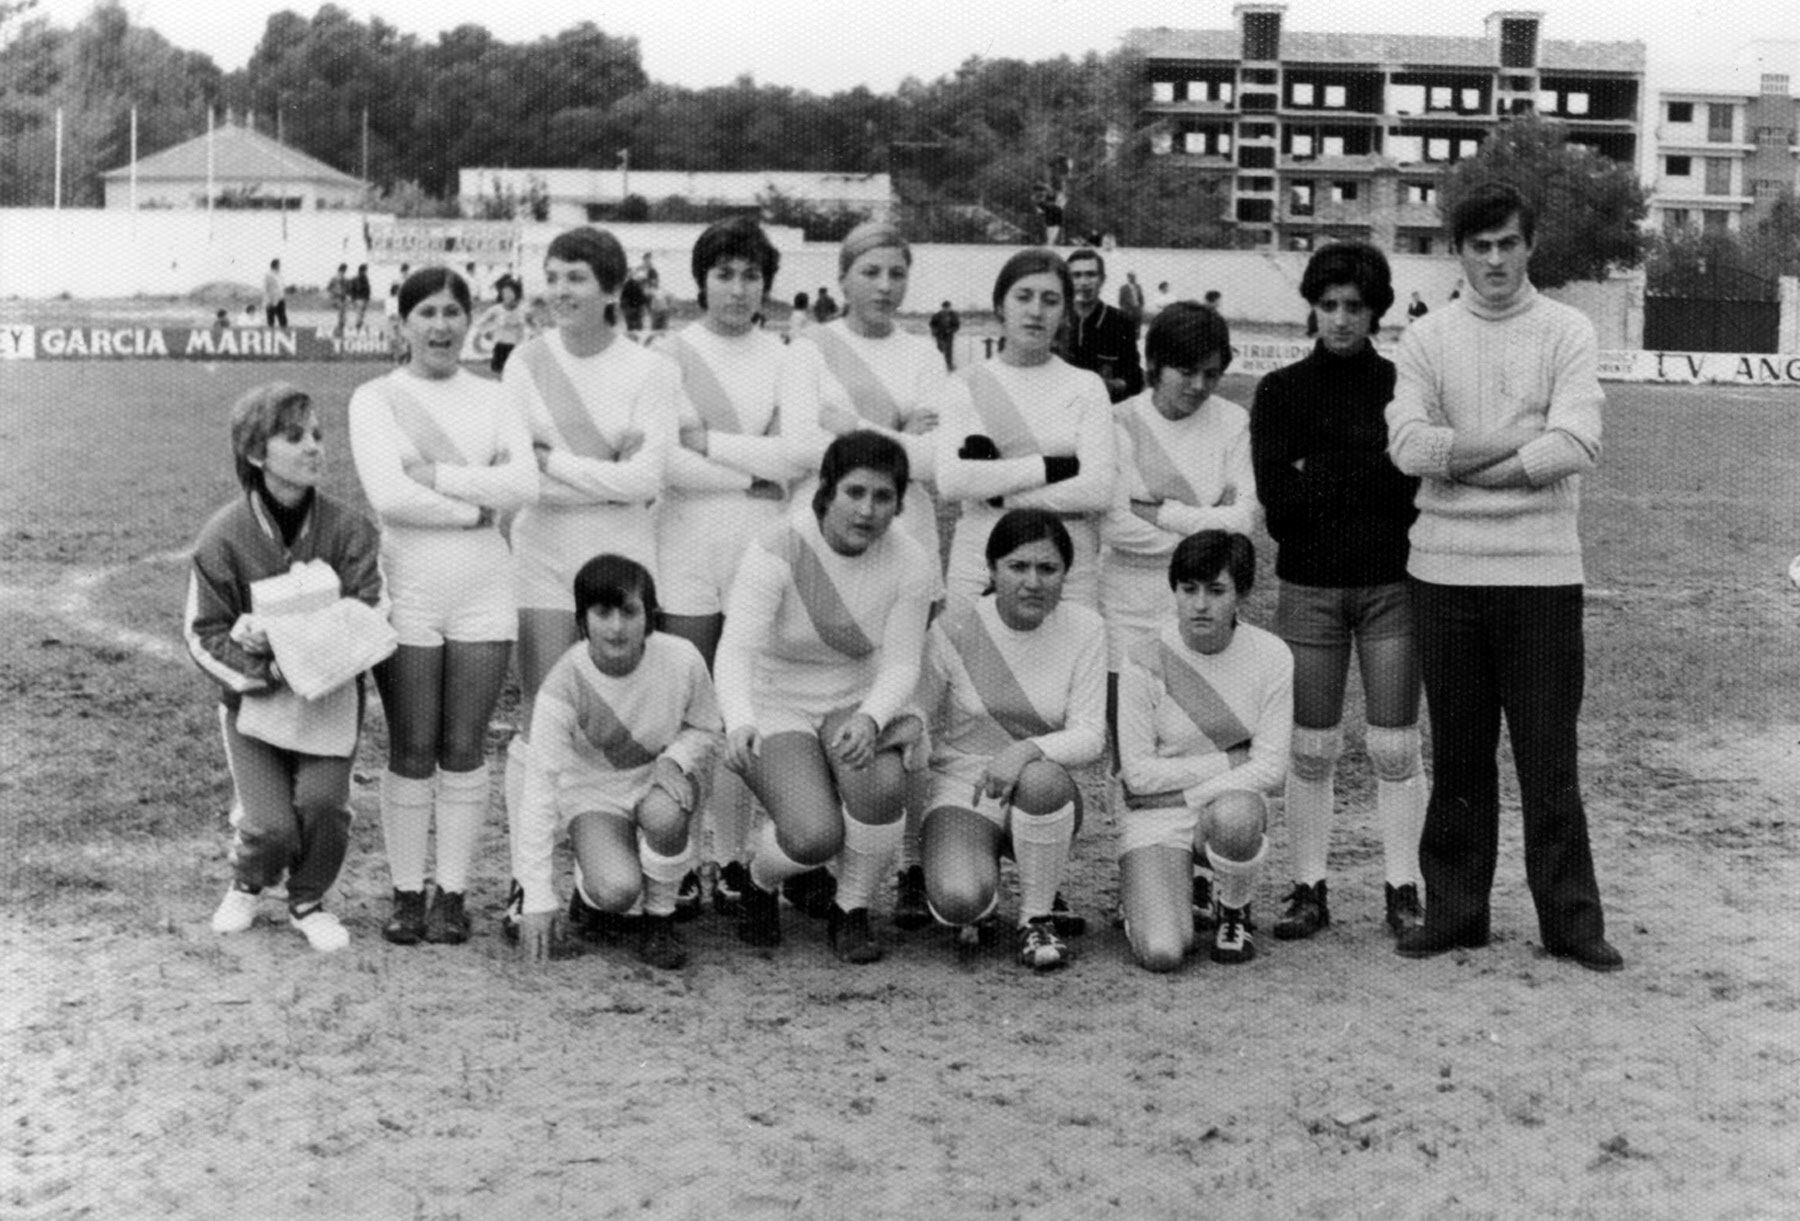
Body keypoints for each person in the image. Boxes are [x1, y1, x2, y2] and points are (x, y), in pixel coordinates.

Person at [1385, 180, 1620, 972]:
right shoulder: (1426, 339)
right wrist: (1518, 443)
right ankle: (1455, 911)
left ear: (1530, 246)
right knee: (1458, 755)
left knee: (1549, 757)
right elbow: (1410, 448)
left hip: (1542, 575)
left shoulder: (1567, 330)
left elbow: (1578, 443)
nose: (1494, 259)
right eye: (1479, 246)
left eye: (1508, 244)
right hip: (1444, 574)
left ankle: (1571, 922)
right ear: (1458, 251)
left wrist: (1464, 455)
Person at [498, 226, 679, 940]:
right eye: (554, 275)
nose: (561, 290)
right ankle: (525, 879)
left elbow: (648, 479)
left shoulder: (650, 368)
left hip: (625, 556)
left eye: (577, 277)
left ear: (611, 290)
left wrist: (562, 465)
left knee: (628, 713)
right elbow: (524, 478)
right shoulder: (523, 362)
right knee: (543, 714)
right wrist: (604, 476)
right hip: (543, 556)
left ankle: (621, 865)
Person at [347, 267, 538, 945]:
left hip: (486, 581)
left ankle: (452, 892)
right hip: (409, 583)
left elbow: (524, 481)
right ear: (402, 324)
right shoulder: (375, 398)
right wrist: (476, 504)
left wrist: (446, 481)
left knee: (463, 744)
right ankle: (405, 891)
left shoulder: (495, 394)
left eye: (453, 311)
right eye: (425, 312)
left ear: (470, 320)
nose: (440, 325)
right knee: (412, 743)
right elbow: (389, 496)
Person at [1251, 242, 1425, 942]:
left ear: (1377, 310)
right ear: (1312, 308)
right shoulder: (1281, 391)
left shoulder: (1404, 386)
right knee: (1312, 747)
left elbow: (1411, 487)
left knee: (1393, 746)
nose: (1342, 319)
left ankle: (1402, 888)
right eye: (1328, 305)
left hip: (1390, 585)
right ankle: (1308, 887)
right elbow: (1279, 504)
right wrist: (1366, 473)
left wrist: (1319, 468)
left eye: (1355, 306)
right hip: (1311, 588)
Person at [713, 431, 938, 963]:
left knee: (882, 786)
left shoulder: (910, 560)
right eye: (854, 492)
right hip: (777, 700)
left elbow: (904, 661)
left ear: (899, 503)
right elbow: (737, 650)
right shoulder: (777, 546)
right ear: (826, 491)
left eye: (884, 497)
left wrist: (871, 717)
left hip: (855, 696)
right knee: (815, 835)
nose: (867, 510)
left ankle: (851, 908)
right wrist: (740, 718)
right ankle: (761, 881)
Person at [188, 382, 385, 952]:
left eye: (319, 435)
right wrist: (264, 665)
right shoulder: (223, 536)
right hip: (257, 703)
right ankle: (248, 880)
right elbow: (203, 634)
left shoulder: (349, 528)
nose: (315, 448)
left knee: (323, 806)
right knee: (271, 826)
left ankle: (307, 898)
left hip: (329, 697)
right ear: (256, 454)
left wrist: (312, 645)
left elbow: (371, 608)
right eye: (294, 437)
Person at [660, 216, 807, 916]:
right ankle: (682, 860)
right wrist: (747, 469)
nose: (738, 288)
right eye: (725, 273)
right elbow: (668, 461)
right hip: (685, 545)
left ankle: (734, 858)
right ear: (702, 280)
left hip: (761, 544)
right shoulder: (669, 353)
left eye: (751, 275)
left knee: (745, 705)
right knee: (690, 705)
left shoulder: (786, 356)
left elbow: (796, 458)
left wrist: (713, 444)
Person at [916, 510, 1106, 970]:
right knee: (960, 900)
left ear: (1066, 573)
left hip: (1038, 789)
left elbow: (1090, 735)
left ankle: (1037, 916)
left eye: (1048, 568)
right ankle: (975, 881)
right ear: (991, 569)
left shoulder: (1085, 628)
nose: (1033, 582)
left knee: (1041, 779)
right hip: (965, 784)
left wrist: (1023, 751)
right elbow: (916, 716)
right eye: (1018, 567)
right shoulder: (954, 627)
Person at [513, 554, 723, 970]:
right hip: (594, 794)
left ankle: (660, 918)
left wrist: (675, 760)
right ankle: (589, 893)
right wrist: (536, 896)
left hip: (656, 780)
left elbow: (707, 727)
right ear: (581, 620)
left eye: (629, 611)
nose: (616, 626)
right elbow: (539, 788)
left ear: (651, 617)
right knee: (617, 890)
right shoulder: (562, 686)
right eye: (602, 612)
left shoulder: (682, 659)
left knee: (666, 812)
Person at [1115, 531, 1292, 971]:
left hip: (1220, 806)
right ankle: (1149, 893)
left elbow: (1270, 769)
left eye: (1216, 591)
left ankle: (1233, 909)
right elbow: (1136, 777)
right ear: (1173, 589)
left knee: (1236, 815)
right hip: (1153, 814)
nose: (1199, 605)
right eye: (1188, 589)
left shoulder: (1272, 655)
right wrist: (1229, 762)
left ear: (1242, 594)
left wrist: (1183, 794)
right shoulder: (1142, 657)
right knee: (1163, 952)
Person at [936, 248, 1116, 613]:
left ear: (1065, 312)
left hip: (1067, 562)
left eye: (1050, 300)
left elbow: (1097, 490)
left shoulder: (1086, 386)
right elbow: (952, 483)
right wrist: (1053, 468)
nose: (1035, 311)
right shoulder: (963, 384)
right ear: (1000, 305)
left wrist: (1000, 494)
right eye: (1023, 296)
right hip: (980, 556)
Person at [1061, 247, 1144, 404]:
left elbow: (1135, 378)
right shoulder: (1055, 318)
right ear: (1067, 281)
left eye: (1091, 274)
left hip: (1104, 411)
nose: (1084, 282)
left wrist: (1111, 386)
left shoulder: (1121, 322)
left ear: (1102, 279)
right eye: (1076, 275)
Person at [475, 280, 528, 374]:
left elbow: (525, 329)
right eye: (504, 292)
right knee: (497, 371)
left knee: (513, 373)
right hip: (500, 346)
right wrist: (486, 332)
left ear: (516, 293)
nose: (507, 295)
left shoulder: (522, 310)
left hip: (515, 347)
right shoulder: (496, 309)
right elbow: (479, 322)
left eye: (509, 292)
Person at [928, 300, 961, 371]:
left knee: (949, 351)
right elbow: (931, 324)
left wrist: (950, 330)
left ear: (950, 307)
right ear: (942, 307)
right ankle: (939, 366)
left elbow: (957, 326)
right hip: (939, 335)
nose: (946, 309)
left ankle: (949, 365)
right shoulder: (937, 315)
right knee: (940, 349)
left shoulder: (953, 315)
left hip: (949, 335)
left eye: (948, 307)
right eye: (945, 307)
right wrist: (935, 330)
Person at [1117, 271, 1146, 336]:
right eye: (1131, 277)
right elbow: (1120, 300)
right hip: (1128, 309)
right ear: (1128, 278)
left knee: (1137, 323)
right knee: (1128, 323)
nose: (1133, 278)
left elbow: (1141, 297)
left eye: (1134, 277)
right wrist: (1124, 308)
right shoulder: (1123, 288)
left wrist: (1141, 306)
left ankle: (1137, 336)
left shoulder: (1138, 286)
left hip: (1137, 308)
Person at [263, 259, 288, 329]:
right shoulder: (268, 275)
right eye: (279, 265)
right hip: (271, 300)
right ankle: (271, 336)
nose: (280, 266)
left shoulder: (280, 275)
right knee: (271, 320)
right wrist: (268, 300)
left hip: (280, 299)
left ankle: (284, 334)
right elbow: (265, 288)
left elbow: (281, 287)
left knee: (283, 319)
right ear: (275, 265)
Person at [327, 263, 350, 338]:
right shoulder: (334, 279)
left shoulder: (345, 279)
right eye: (342, 271)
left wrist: (346, 296)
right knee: (342, 316)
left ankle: (339, 331)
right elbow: (329, 288)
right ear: (340, 270)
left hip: (342, 299)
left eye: (344, 271)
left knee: (343, 317)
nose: (343, 273)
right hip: (336, 299)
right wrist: (334, 294)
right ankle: (338, 331)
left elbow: (347, 290)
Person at [349, 264, 373, 332]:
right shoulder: (358, 279)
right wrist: (353, 300)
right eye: (365, 270)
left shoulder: (365, 278)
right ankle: (357, 329)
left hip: (363, 300)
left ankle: (358, 329)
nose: (366, 271)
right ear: (362, 270)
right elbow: (353, 290)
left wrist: (368, 299)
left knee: (361, 316)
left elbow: (368, 290)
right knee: (359, 316)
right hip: (359, 299)